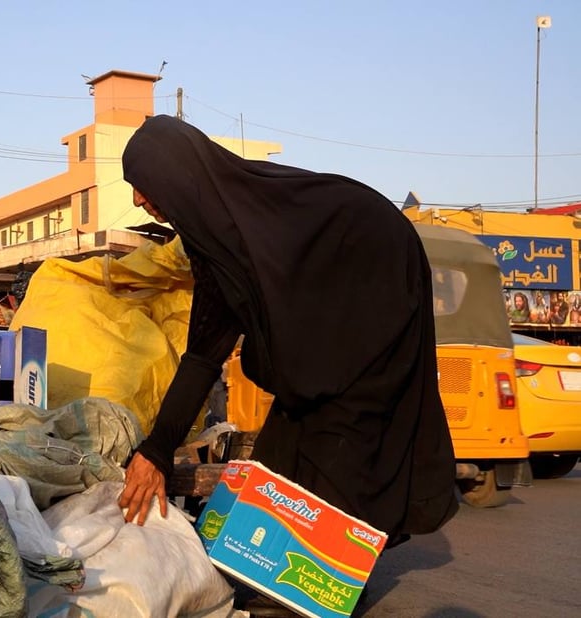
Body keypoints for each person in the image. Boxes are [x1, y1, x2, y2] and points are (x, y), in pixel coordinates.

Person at [116, 116, 459, 553]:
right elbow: (203, 355)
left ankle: (329, 580)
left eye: (144, 183)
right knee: (277, 474)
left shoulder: (277, 218)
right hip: (323, 362)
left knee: (339, 463)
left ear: (178, 178)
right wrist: (157, 449)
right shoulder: (218, 246)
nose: (137, 198)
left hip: (376, 289)